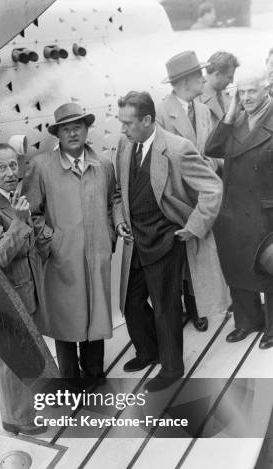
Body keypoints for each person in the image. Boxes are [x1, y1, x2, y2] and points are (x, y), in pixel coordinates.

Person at [114, 91, 227, 392]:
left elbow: (212, 188)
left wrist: (194, 226)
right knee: (130, 302)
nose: (123, 129)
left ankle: (172, 368)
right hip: (134, 240)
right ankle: (148, 351)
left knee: (166, 307)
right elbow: (118, 191)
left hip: (166, 238)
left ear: (148, 120)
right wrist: (119, 220)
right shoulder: (126, 145)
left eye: (128, 123)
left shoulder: (178, 149)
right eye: (121, 122)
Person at [22, 102, 117, 383]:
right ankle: (70, 379)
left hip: (97, 253)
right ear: (58, 134)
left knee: (96, 314)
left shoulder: (104, 165)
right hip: (62, 257)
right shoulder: (41, 166)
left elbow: (112, 201)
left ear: (87, 130)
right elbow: (31, 212)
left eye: (78, 127)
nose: (73, 133)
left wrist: (109, 233)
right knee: (65, 318)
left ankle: (95, 373)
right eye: (66, 129)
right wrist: (52, 241)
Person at [0, 143, 46, 434]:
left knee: (22, 353)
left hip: (24, 289)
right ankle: (18, 419)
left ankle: (22, 411)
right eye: (1, 167)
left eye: (13, 165)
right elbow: (0, 255)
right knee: (11, 357)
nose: (10, 172)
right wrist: (19, 220)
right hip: (8, 294)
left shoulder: (10, 195)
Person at [205, 67, 273, 349]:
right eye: (240, 92)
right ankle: (247, 321)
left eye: (251, 91)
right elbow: (211, 149)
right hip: (233, 210)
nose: (245, 97)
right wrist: (230, 112)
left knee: (269, 269)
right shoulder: (236, 120)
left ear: (266, 88)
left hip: (265, 211)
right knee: (237, 267)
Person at [157, 50, 220, 332]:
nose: (204, 79)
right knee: (181, 260)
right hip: (178, 199)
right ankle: (188, 309)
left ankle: (199, 307)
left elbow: (218, 151)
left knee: (199, 255)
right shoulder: (160, 114)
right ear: (185, 81)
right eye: (199, 75)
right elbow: (157, 162)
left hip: (203, 197)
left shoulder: (204, 110)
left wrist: (213, 164)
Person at [202, 51, 240, 127]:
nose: (232, 81)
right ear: (217, 74)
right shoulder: (195, 99)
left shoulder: (228, 96)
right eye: (229, 77)